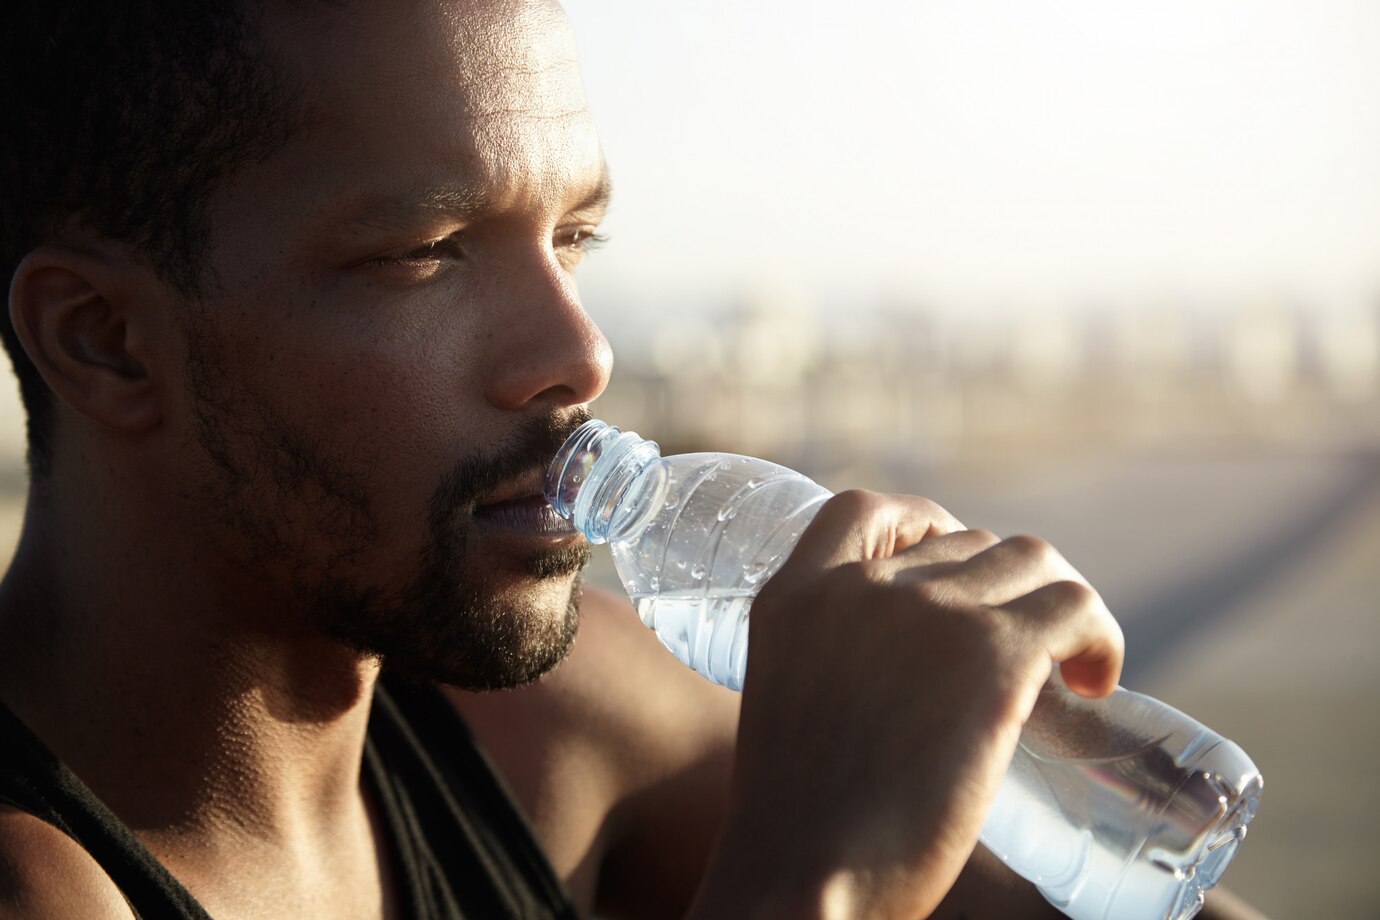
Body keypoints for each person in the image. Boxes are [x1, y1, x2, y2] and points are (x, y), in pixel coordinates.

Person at [0, 2, 1267, 918]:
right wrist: (821, 877)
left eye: (574, 236)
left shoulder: (552, 728)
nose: (578, 351)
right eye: (426, 250)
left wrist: (1024, 763)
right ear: (107, 341)